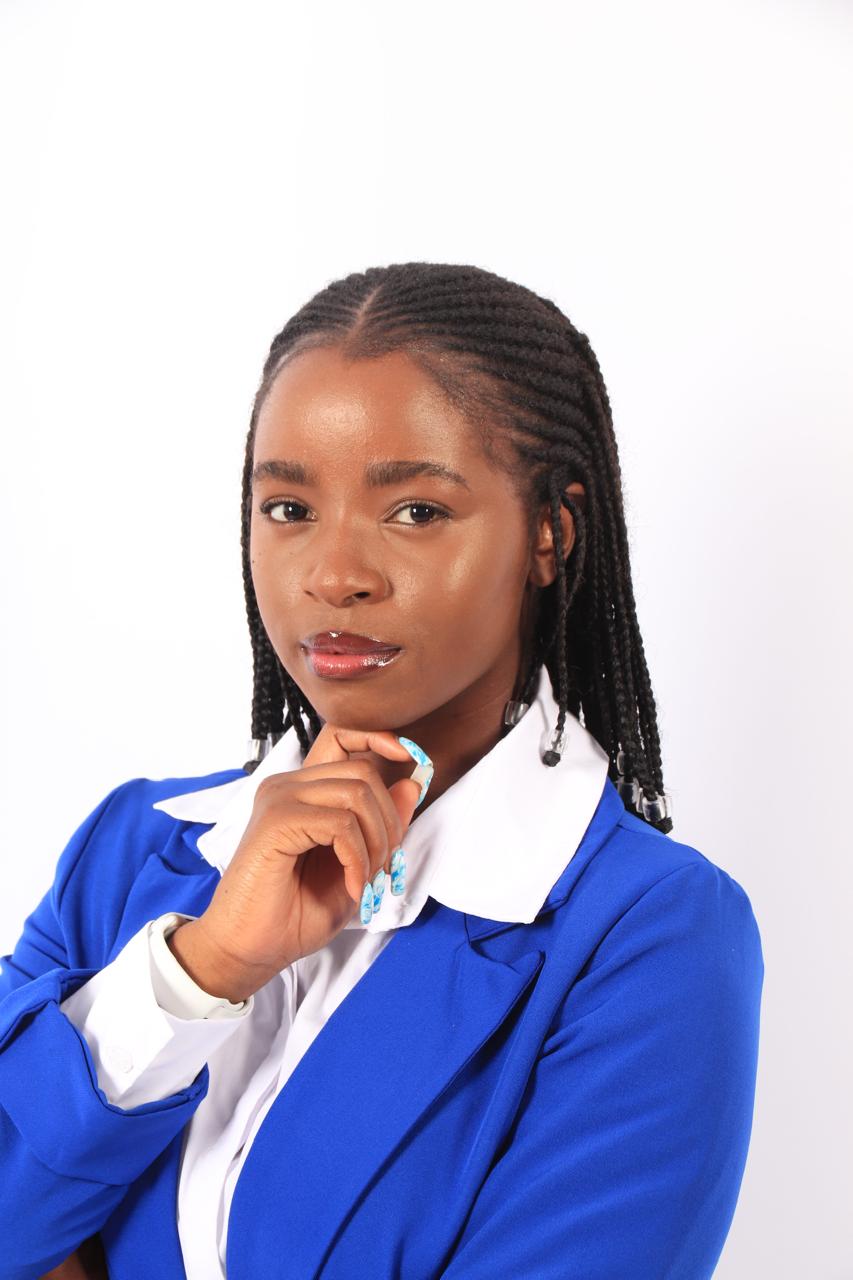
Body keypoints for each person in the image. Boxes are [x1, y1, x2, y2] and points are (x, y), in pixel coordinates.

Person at [0, 261, 764, 1280]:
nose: (333, 574)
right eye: (288, 508)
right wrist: (204, 969)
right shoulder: (134, 848)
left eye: (414, 512)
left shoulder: (648, 934)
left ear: (550, 532)